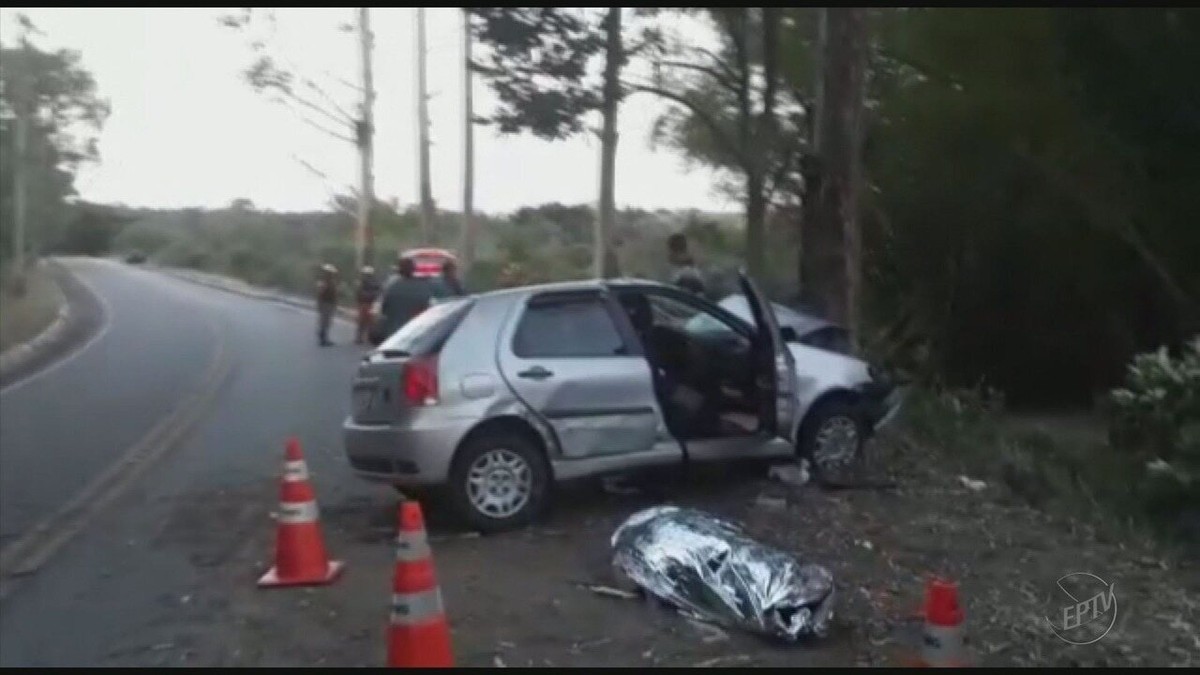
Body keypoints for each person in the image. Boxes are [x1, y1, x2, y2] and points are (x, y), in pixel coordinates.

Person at [375, 257, 433, 343]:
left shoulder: (393, 286)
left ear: (399, 270)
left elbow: (384, 309)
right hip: (414, 333)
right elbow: (428, 310)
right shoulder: (423, 287)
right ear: (414, 269)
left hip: (394, 334)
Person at [354, 265, 382, 345]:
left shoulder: (369, 283)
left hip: (367, 303)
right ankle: (363, 337)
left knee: (365, 321)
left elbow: (359, 293)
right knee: (367, 321)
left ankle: (362, 337)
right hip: (368, 303)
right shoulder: (373, 282)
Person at [315, 263, 339, 347]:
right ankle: (323, 338)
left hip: (329, 303)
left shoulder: (329, 282)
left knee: (326, 322)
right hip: (326, 303)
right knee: (325, 322)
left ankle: (324, 337)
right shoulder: (325, 282)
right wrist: (320, 304)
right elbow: (320, 294)